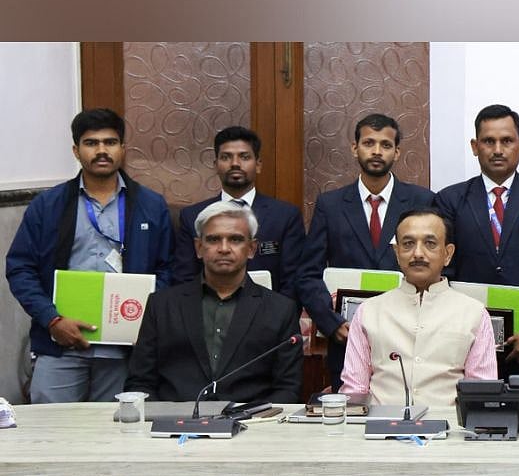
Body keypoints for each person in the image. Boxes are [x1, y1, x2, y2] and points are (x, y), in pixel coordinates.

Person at [6, 108, 172, 403]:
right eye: (91, 143)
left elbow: (169, 270)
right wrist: (52, 320)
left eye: (110, 142)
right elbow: (20, 268)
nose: (101, 151)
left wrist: (146, 322)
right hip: (60, 344)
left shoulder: (151, 205)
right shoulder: (48, 205)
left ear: (123, 149)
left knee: (117, 435)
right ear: (76, 150)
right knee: (52, 433)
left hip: (125, 349)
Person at [295, 114, 436, 389]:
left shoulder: (422, 200)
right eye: (368, 143)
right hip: (345, 337)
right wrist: (330, 323)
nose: (376, 151)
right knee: (351, 414)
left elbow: (434, 268)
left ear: (397, 151)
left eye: (385, 145)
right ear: (354, 147)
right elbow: (307, 274)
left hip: (407, 334)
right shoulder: (330, 204)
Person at [435, 104, 519, 377]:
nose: (497, 149)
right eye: (488, 141)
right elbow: (443, 272)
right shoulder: (449, 200)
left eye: (506, 141)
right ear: (475, 146)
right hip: (464, 337)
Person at [125, 201, 302, 403]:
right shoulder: (162, 305)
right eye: (214, 239)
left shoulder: (280, 309)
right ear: (199, 248)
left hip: (251, 426)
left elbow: (287, 389)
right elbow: (140, 383)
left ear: (252, 249)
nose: (224, 248)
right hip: (174, 426)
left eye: (235, 240)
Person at [340, 209, 498, 406]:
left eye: (430, 244)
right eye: (408, 244)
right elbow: (354, 391)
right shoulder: (369, 311)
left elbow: (481, 396)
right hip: (380, 429)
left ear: (447, 254)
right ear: (397, 253)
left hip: (449, 431)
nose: (418, 253)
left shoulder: (474, 313)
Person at [174, 126, 305, 296]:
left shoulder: (285, 216)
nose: (235, 163)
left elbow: (293, 281)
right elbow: (184, 280)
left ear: (258, 165)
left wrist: (277, 320)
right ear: (215, 165)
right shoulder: (192, 216)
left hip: (270, 318)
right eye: (226, 157)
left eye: (244, 157)